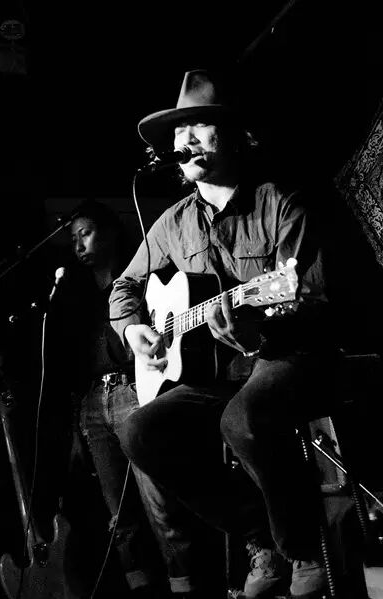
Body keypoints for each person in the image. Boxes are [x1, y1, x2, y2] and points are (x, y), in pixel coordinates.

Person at [109, 69, 338, 599]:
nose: (185, 140)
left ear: (234, 136)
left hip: (286, 355)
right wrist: (134, 327)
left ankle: (300, 547)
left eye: (199, 126)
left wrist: (262, 330)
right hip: (217, 372)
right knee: (140, 432)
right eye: (178, 131)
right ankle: (258, 536)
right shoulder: (172, 222)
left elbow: (310, 297)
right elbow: (125, 284)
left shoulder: (281, 203)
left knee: (243, 418)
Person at [53, 199, 167, 598]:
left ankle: (184, 583)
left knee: (159, 501)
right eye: (73, 238)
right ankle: (141, 587)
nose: (79, 245)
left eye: (85, 233)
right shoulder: (74, 293)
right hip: (93, 401)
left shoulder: (141, 278)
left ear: (110, 231)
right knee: (120, 514)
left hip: (134, 389)